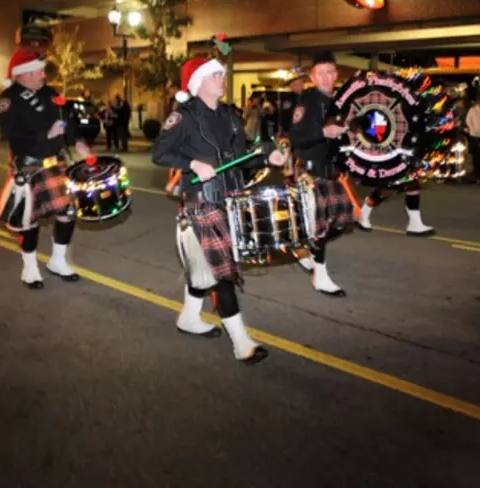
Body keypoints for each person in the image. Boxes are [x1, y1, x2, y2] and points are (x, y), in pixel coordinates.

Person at [152, 57, 287, 364]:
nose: (221, 78)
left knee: (206, 267)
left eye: (222, 74)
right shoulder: (182, 116)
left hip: (232, 199)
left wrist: (268, 159)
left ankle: (189, 317)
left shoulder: (229, 115)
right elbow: (159, 152)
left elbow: (245, 155)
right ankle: (242, 343)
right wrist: (191, 164)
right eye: (215, 74)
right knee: (222, 272)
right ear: (198, 82)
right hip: (202, 201)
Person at [0, 50, 93, 289]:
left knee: (68, 211)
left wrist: (78, 141)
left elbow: (66, 120)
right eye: (39, 70)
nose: (43, 74)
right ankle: (29, 268)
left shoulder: (49, 94)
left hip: (54, 163)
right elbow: (11, 136)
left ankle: (58, 261)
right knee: (29, 219)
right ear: (24, 73)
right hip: (28, 164)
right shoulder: (9, 99)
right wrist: (45, 135)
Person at [287, 52, 356, 297]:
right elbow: (295, 136)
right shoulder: (308, 100)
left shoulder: (339, 101)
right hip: (310, 171)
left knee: (344, 220)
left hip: (332, 172)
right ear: (313, 78)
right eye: (321, 73)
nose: (326, 77)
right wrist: (322, 132)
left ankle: (302, 247)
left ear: (336, 75)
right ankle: (321, 276)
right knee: (320, 225)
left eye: (330, 72)